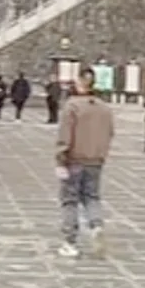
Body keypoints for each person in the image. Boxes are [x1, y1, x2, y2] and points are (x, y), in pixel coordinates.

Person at [55, 68, 114, 258]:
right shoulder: (104, 108)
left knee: (70, 199)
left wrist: (61, 157)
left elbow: (65, 135)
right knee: (92, 196)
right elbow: (110, 133)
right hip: (96, 159)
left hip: (74, 158)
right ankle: (96, 225)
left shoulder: (72, 106)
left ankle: (70, 241)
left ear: (79, 82)